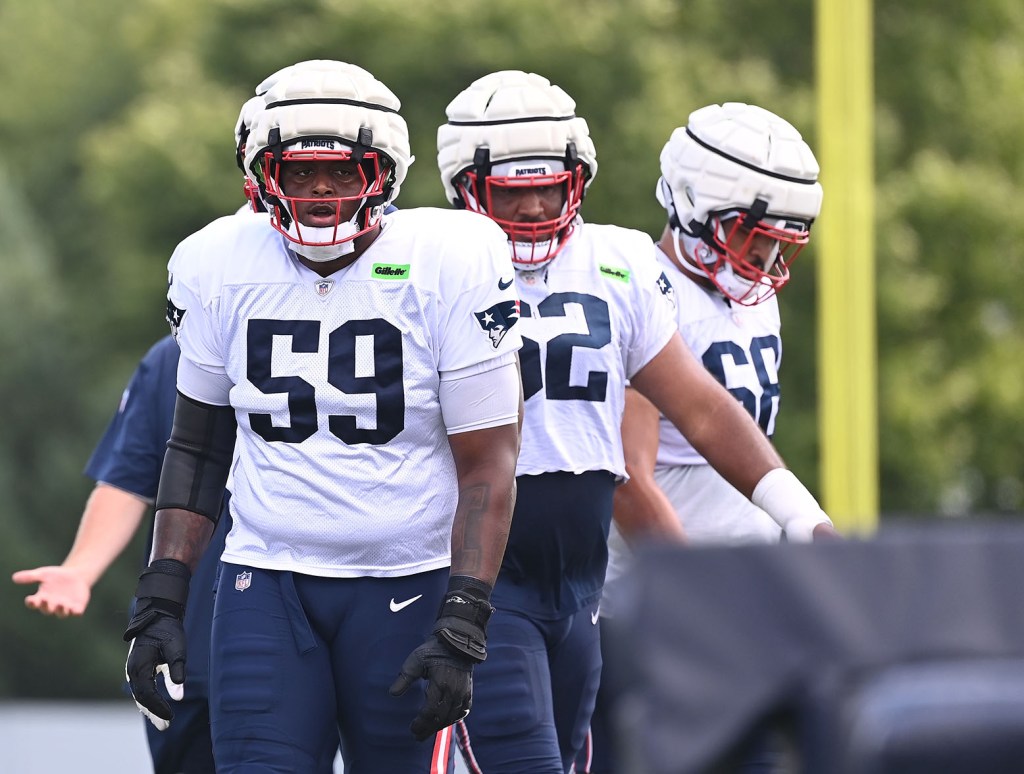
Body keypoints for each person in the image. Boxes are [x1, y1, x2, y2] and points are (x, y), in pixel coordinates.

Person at [122, 61, 524, 774]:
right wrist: (161, 600)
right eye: (298, 172)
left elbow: (488, 462)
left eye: (343, 172)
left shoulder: (452, 257)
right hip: (266, 581)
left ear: (386, 170)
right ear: (260, 173)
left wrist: (464, 617)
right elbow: (197, 448)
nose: (319, 192)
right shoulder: (216, 261)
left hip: (408, 582)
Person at [435, 71, 839, 774]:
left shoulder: (615, 264)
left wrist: (803, 518)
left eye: (550, 186)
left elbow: (710, 411)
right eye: (512, 189)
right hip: (510, 577)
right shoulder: (433, 267)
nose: (534, 206)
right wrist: (696, 591)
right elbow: (632, 475)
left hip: (586, 590)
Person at [583, 103, 828, 774]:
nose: (769, 261)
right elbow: (630, 479)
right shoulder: (640, 286)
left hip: (738, 598)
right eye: (755, 239)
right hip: (653, 610)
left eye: (783, 243)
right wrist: (701, 602)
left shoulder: (755, 301)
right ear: (693, 208)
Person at [11, 334, 229, 774]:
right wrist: (80, 568)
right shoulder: (174, 357)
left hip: (303, 634)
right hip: (184, 638)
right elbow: (127, 481)